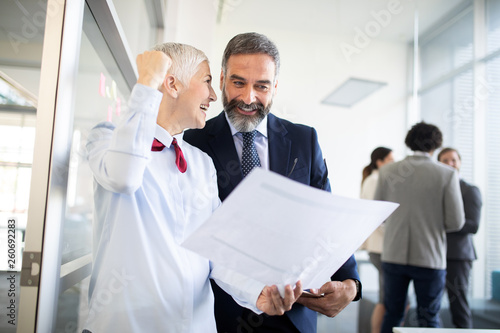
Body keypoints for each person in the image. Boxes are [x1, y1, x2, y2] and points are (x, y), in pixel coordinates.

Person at [84, 43, 301, 333]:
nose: (213, 95)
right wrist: (148, 82)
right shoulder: (108, 140)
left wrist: (256, 293)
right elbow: (125, 176)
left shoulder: (201, 163)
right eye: (208, 81)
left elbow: (218, 251)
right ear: (172, 83)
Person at [184, 32, 361, 333]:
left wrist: (351, 283)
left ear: (275, 87)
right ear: (223, 80)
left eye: (261, 86)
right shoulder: (193, 140)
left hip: (295, 314)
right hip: (222, 313)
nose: (249, 98)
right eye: (238, 82)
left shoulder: (304, 140)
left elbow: (326, 216)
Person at [374, 122, 465, 333]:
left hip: (393, 254)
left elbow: (379, 213)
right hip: (429, 257)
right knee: (428, 318)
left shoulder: (387, 171)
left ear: (409, 141)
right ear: (436, 144)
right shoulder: (446, 174)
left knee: (393, 314)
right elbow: (456, 222)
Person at [438, 147, 482, 328]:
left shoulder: (470, 190)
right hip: (434, 254)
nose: (450, 164)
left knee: (459, 307)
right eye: (445, 160)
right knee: (429, 306)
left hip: (458, 257)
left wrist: (444, 223)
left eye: (454, 160)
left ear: (460, 163)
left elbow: (473, 225)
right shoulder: (435, 191)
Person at [360, 147, 394, 333]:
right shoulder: (375, 181)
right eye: (390, 159)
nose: (394, 163)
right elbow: (378, 216)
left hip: (380, 247)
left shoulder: (374, 179)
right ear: (379, 162)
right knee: (386, 299)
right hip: (380, 247)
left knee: (388, 298)